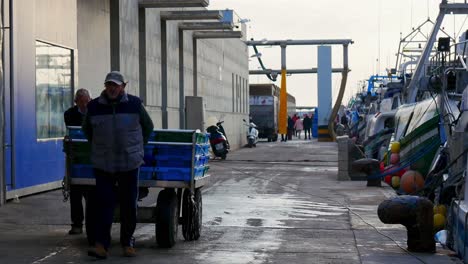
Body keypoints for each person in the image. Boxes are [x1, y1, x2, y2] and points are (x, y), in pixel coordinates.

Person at [83, 71, 154, 259]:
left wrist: (137, 148)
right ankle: (101, 245)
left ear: (123, 86)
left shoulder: (135, 104)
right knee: (103, 204)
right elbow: (87, 130)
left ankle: (127, 242)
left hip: (129, 163)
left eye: (116, 85)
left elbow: (148, 127)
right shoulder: (94, 106)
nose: (112, 88)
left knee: (129, 205)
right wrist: (99, 147)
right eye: (109, 85)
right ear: (105, 86)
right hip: (103, 164)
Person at [64, 88, 96, 246]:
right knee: (75, 193)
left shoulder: (95, 112)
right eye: (82, 101)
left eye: (87, 101)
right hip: (77, 159)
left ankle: (92, 224)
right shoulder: (69, 114)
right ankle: (77, 224)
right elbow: (75, 131)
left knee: (92, 194)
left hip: (92, 158)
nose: (85, 104)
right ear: (76, 101)